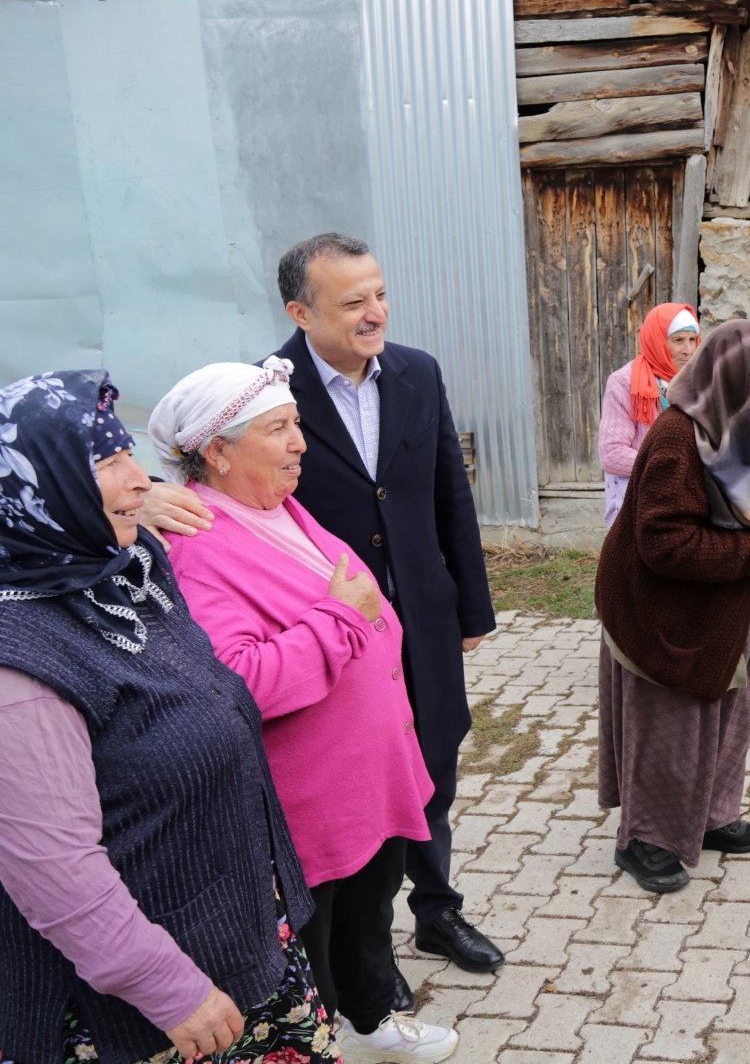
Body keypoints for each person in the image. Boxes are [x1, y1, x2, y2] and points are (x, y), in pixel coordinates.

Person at [139, 233, 502, 993]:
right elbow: (218, 492)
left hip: (416, 616)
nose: (375, 312)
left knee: (428, 763)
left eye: (379, 293)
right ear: (301, 311)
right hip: (327, 631)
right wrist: (147, 498)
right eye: (352, 301)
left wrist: (471, 602)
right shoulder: (257, 399)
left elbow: (448, 493)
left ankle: (436, 907)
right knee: (359, 790)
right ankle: (374, 965)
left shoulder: (417, 372)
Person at [0, 371, 337, 1064]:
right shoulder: (20, 666)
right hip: (154, 1008)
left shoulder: (122, 569)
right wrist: (169, 988)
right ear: (40, 488)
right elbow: (58, 872)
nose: (139, 481)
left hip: (235, 939)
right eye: (106, 462)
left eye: (132, 454)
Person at [147, 359, 458, 1064]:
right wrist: (339, 619)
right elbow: (237, 681)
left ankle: (372, 1019)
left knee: (371, 911)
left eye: (296, 425)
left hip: (367, 778)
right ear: (218, 451)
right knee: (314, 945)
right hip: (309, 802)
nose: (301, 444)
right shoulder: (199, 545)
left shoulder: (282, 507)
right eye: (279, 428)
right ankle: (321, 1045)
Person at [594, 320, 750, 893]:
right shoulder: (677, 437)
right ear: (731, 377)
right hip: (661, 607)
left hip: (724, 602)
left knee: (731, 714)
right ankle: (646, 840)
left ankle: (713, 817)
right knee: (672, 725)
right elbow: (665, 542)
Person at [600, 302, 702, 526]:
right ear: (658, 341)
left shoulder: (698, 383)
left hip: (684, 496)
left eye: (692, 339)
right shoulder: (624, 383)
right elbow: (612, 454)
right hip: (635, 498)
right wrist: (673, 467)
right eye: (678, 340)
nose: (688, 350)